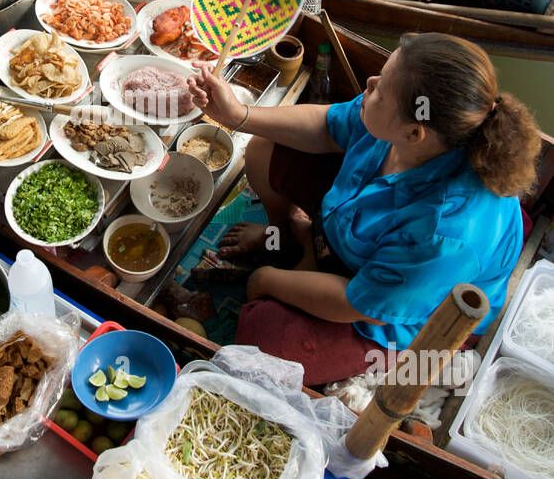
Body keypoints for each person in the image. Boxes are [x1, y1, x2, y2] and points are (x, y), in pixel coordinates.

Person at [188, 33, 541, 387]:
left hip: (393, 308)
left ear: (414, 133)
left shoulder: (444, 233)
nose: (369, 84)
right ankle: (289, 240)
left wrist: (267, 280)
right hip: (360, 237)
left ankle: (307, 251)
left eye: (381, 89)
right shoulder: (406, 125)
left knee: (264, 340)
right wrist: (239, 115)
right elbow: (327, 127)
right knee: (265, 147)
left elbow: (357, 303)